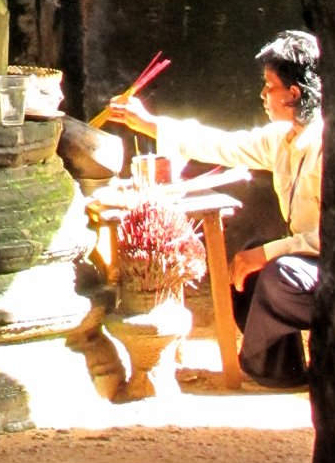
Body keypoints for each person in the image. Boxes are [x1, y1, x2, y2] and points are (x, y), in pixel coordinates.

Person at [106, 29, 323, 388]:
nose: (263, 95)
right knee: (253, 261)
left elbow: (330, 239)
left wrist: (267, 255)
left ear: (293, 94)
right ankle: (280, 371)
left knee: (275, 273)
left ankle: (265, 364)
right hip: (307, 258)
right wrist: (148, 124)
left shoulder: (324, 146)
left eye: (269, 86)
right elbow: (222, 145)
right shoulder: (283, 138)